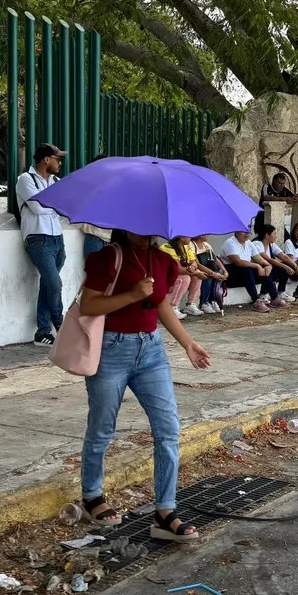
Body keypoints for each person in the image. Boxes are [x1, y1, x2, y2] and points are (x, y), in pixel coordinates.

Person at [77, 230, 213, 542]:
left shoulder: (164, 260)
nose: (146, 231)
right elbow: (88, 305)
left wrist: (187, 343)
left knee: (168, 428)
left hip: (151, 351)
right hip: (111, 350)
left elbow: (162, 304)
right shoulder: (108, 257)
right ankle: (92, 495)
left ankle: (165, 511)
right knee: (101, 428)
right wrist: (132, 295)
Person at [17, 143, 68, 347]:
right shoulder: (25, 180)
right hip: (38, 238)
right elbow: (37, 208)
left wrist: (53, 205)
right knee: (54, 284)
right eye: (57, 159)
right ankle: (60, 323)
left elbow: (65, 205)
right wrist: (55, 205)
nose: (60, 163)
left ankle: (43, 332)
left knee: (48, 284)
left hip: (57, 238)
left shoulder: (55, 181)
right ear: (47, 159)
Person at [221, 227, 284, 312]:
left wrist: (268, 265)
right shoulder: (230, 243)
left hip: (246, 276)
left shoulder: (249, 243)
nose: (246, 233)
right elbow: (238, 262)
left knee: (263, 269)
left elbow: (259, 259)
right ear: (236, 231)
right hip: (231, 275)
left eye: (248, 230)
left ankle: (274, 297)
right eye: (243, 231)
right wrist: (257, 266)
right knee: (247, 269)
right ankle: (255, 300)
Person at [252, 223, 298, 302]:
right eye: (274, 234)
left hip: (267, 269)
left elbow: (284, 257)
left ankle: (281, 292)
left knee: (284, 266)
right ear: (267, 235)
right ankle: (263, 294)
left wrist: (296, 267)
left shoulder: (271, 245)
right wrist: (285, 267)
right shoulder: (257, 243)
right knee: (278, 268)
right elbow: (268, 259)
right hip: (257, 271)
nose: (276, 236)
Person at [165, 236, 205, 318]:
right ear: (182, 237)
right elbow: (178, 269)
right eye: (188, 236)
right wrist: (196, 272)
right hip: (165, 281)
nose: (191, 237)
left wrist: (193, 267)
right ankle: (172, 307)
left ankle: (190, 305)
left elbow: (194, 262)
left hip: (175, 279)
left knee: (197, 277)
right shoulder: (168, 248)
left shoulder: (186, 246)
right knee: (185, 278)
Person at [193, 235, 228, 315]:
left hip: (209, 268)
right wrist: (212, 273)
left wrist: (224, 271)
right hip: (200, 269)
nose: (208, 236)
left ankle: (212, 300)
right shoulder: (192, 245)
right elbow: (198, 264)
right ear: (201, 235)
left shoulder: (206, 245)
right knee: (208, 278)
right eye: (207, 234)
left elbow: (215, 260)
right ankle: (204, 303)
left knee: (217, 278)